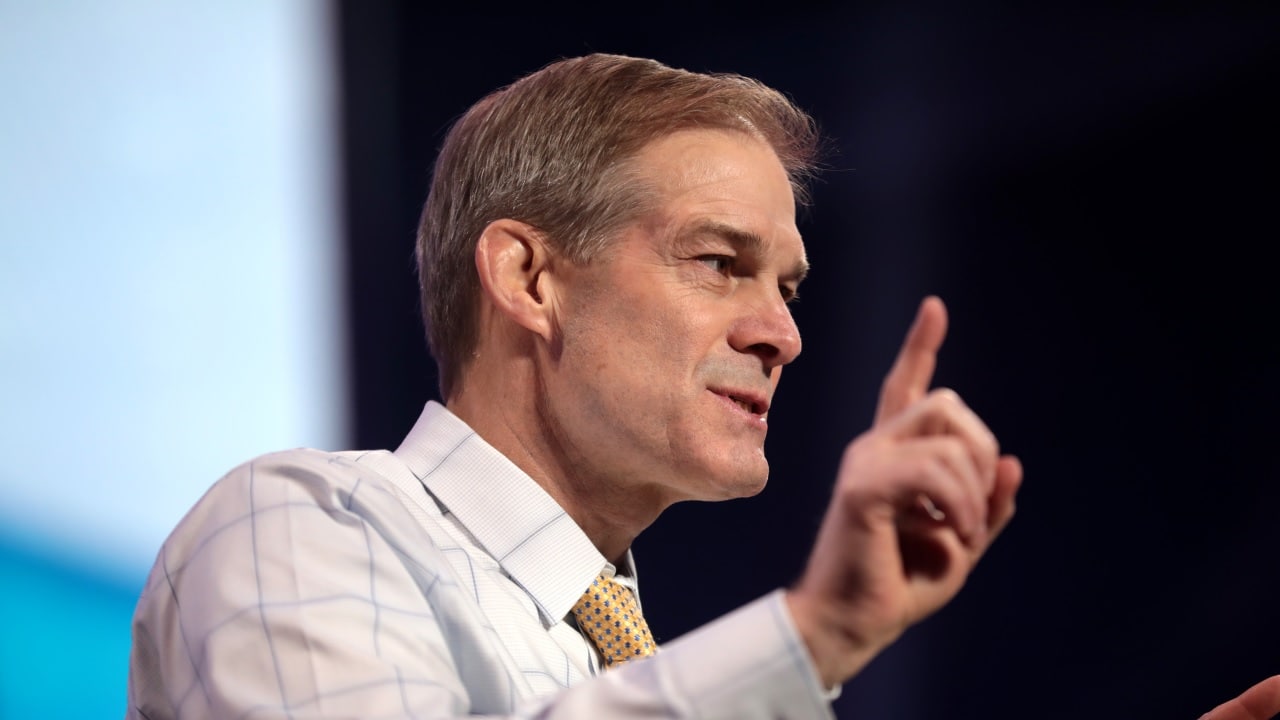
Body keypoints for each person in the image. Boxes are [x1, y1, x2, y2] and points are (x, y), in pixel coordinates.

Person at [125, 53, 1271, 719]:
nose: (781, 334)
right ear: (527, 277)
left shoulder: (640, 663)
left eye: (786, 284)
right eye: (717, 262)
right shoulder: (297, 524)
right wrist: (816, 632)